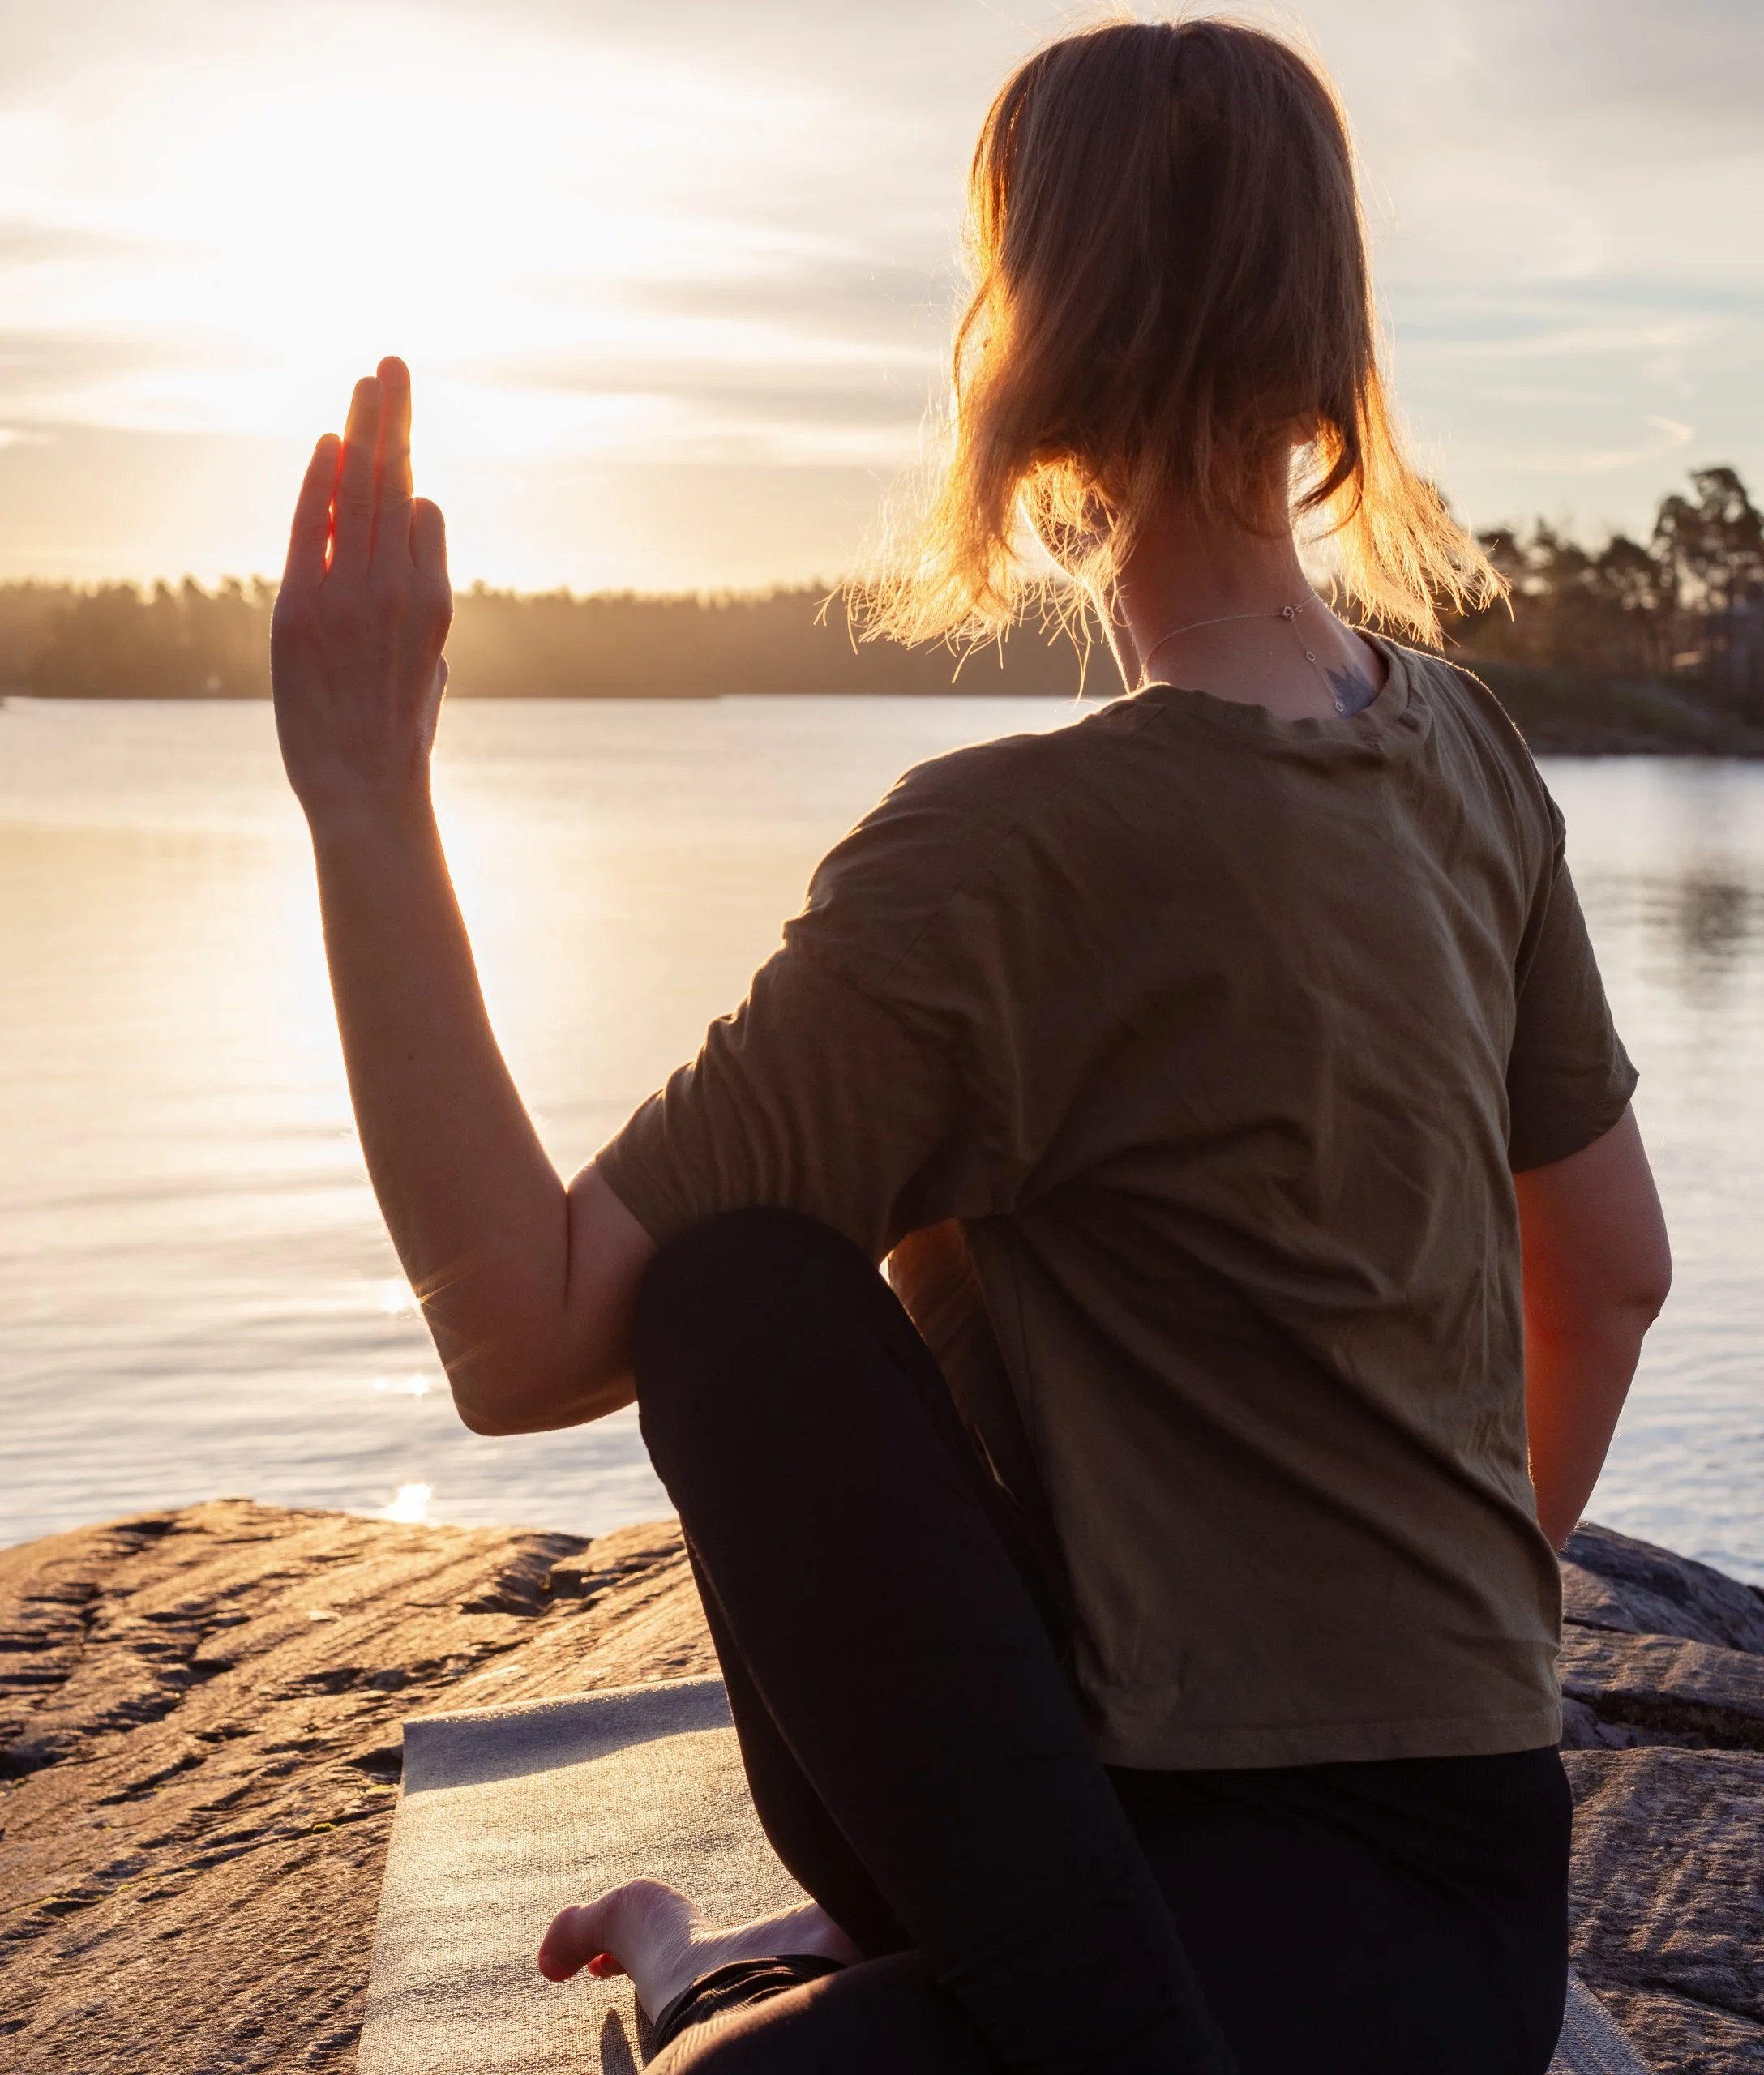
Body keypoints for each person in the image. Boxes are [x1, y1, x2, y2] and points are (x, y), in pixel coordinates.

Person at [269, 19, 1672, 2073]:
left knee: (735, 1299)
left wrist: (368, 810)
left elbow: (526, 1334)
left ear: (1020, 357)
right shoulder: (1461, 743)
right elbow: (1611, 1274)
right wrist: (1423, 1642)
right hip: (1467, 1864)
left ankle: (724, 1976)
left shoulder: (1004, 854)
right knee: (754, 1280)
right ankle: (843, 1955)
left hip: (1192, 1896)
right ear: (1324, 340)